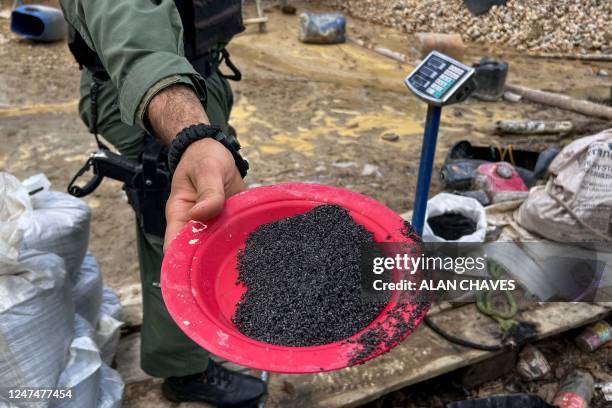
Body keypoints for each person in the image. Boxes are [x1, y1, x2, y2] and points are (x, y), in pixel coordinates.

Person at [59, 0, 266, 405]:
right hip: (147, 98)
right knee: (177, 237)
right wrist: (189, 131)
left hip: (200, 79)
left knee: (210, 221)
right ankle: (183, 370)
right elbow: (125, 15)